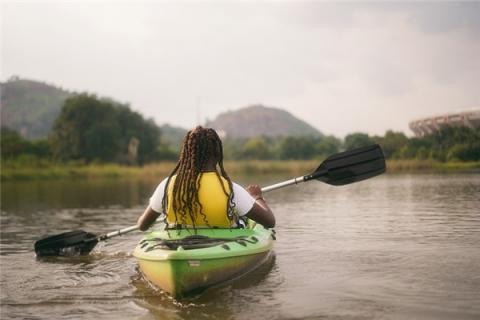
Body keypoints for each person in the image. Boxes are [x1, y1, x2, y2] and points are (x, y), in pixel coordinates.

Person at [137, 126, 275, 231]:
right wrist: (256, 197)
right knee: (243, 218)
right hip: (221, 246)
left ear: (186, 154)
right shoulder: (230, 189)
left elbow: (142, 226)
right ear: (217, 154)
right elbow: (269, 222)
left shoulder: (167, 186)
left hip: (176, 244)